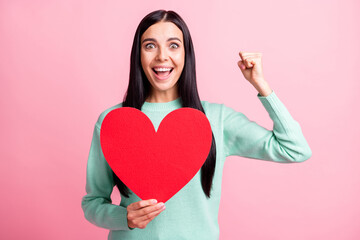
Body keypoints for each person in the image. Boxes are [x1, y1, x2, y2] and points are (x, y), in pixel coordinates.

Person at [81, 9, 312, 240]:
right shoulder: (113, 122)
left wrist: (261, 85)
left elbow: (295, 149)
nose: (162, 56)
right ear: (138, 55)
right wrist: (124, 218)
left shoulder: (217, 119)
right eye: (150, 46)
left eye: (173, 45)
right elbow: (92, 203)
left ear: (186, 54)